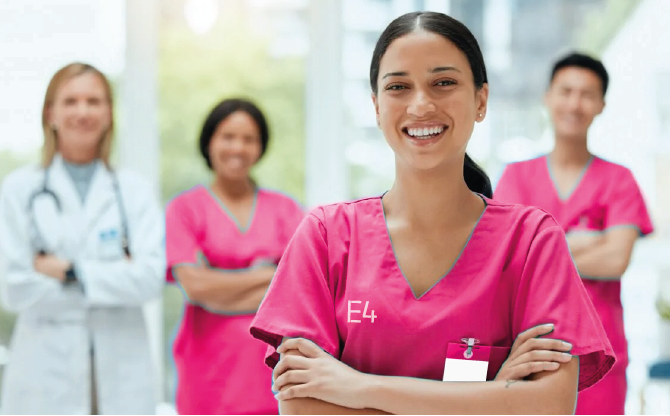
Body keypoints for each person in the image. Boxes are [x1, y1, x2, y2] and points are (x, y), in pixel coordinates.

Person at [248, 11, 617, 415]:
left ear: (480, 100)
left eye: (443, 83)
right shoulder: (325, 237)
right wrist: (497, 394)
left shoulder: (532, 241)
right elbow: (303, 408)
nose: (421, 104)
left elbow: (549, 406)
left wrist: (357, 388)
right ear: (376, 106)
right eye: (398, 86)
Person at [494, 52, 654, 414]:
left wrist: (544, 250)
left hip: (601, 352)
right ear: (547, 97)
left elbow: (615, 260)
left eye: (586, 94)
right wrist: (587, 244)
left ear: (601, 104)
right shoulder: (516, 177)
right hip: (527, 349)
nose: (574, 103)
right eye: (565, 91)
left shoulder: (619, 180)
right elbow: (508, 262)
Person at [0, 63, 164, 414]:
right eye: (71, 101)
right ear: (51, 113)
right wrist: (114, 278)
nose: (83, 111)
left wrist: (70, 272)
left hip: (122, 371)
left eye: (94, 101)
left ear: (108, 113)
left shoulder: (133, 191)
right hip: (46, 369)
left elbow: (149, 280)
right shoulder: (19, 190)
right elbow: (15, 288)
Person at [166, 98, 305, 415]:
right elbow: (195, 287)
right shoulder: (185, 209)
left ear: (261, 146)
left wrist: (218, 283)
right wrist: (270, 273)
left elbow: (300, 289)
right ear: (209, 141)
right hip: (206, 371)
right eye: (228, 137)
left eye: (249, 138)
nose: (238, 147)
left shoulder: (285, 210)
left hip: (273, 370)